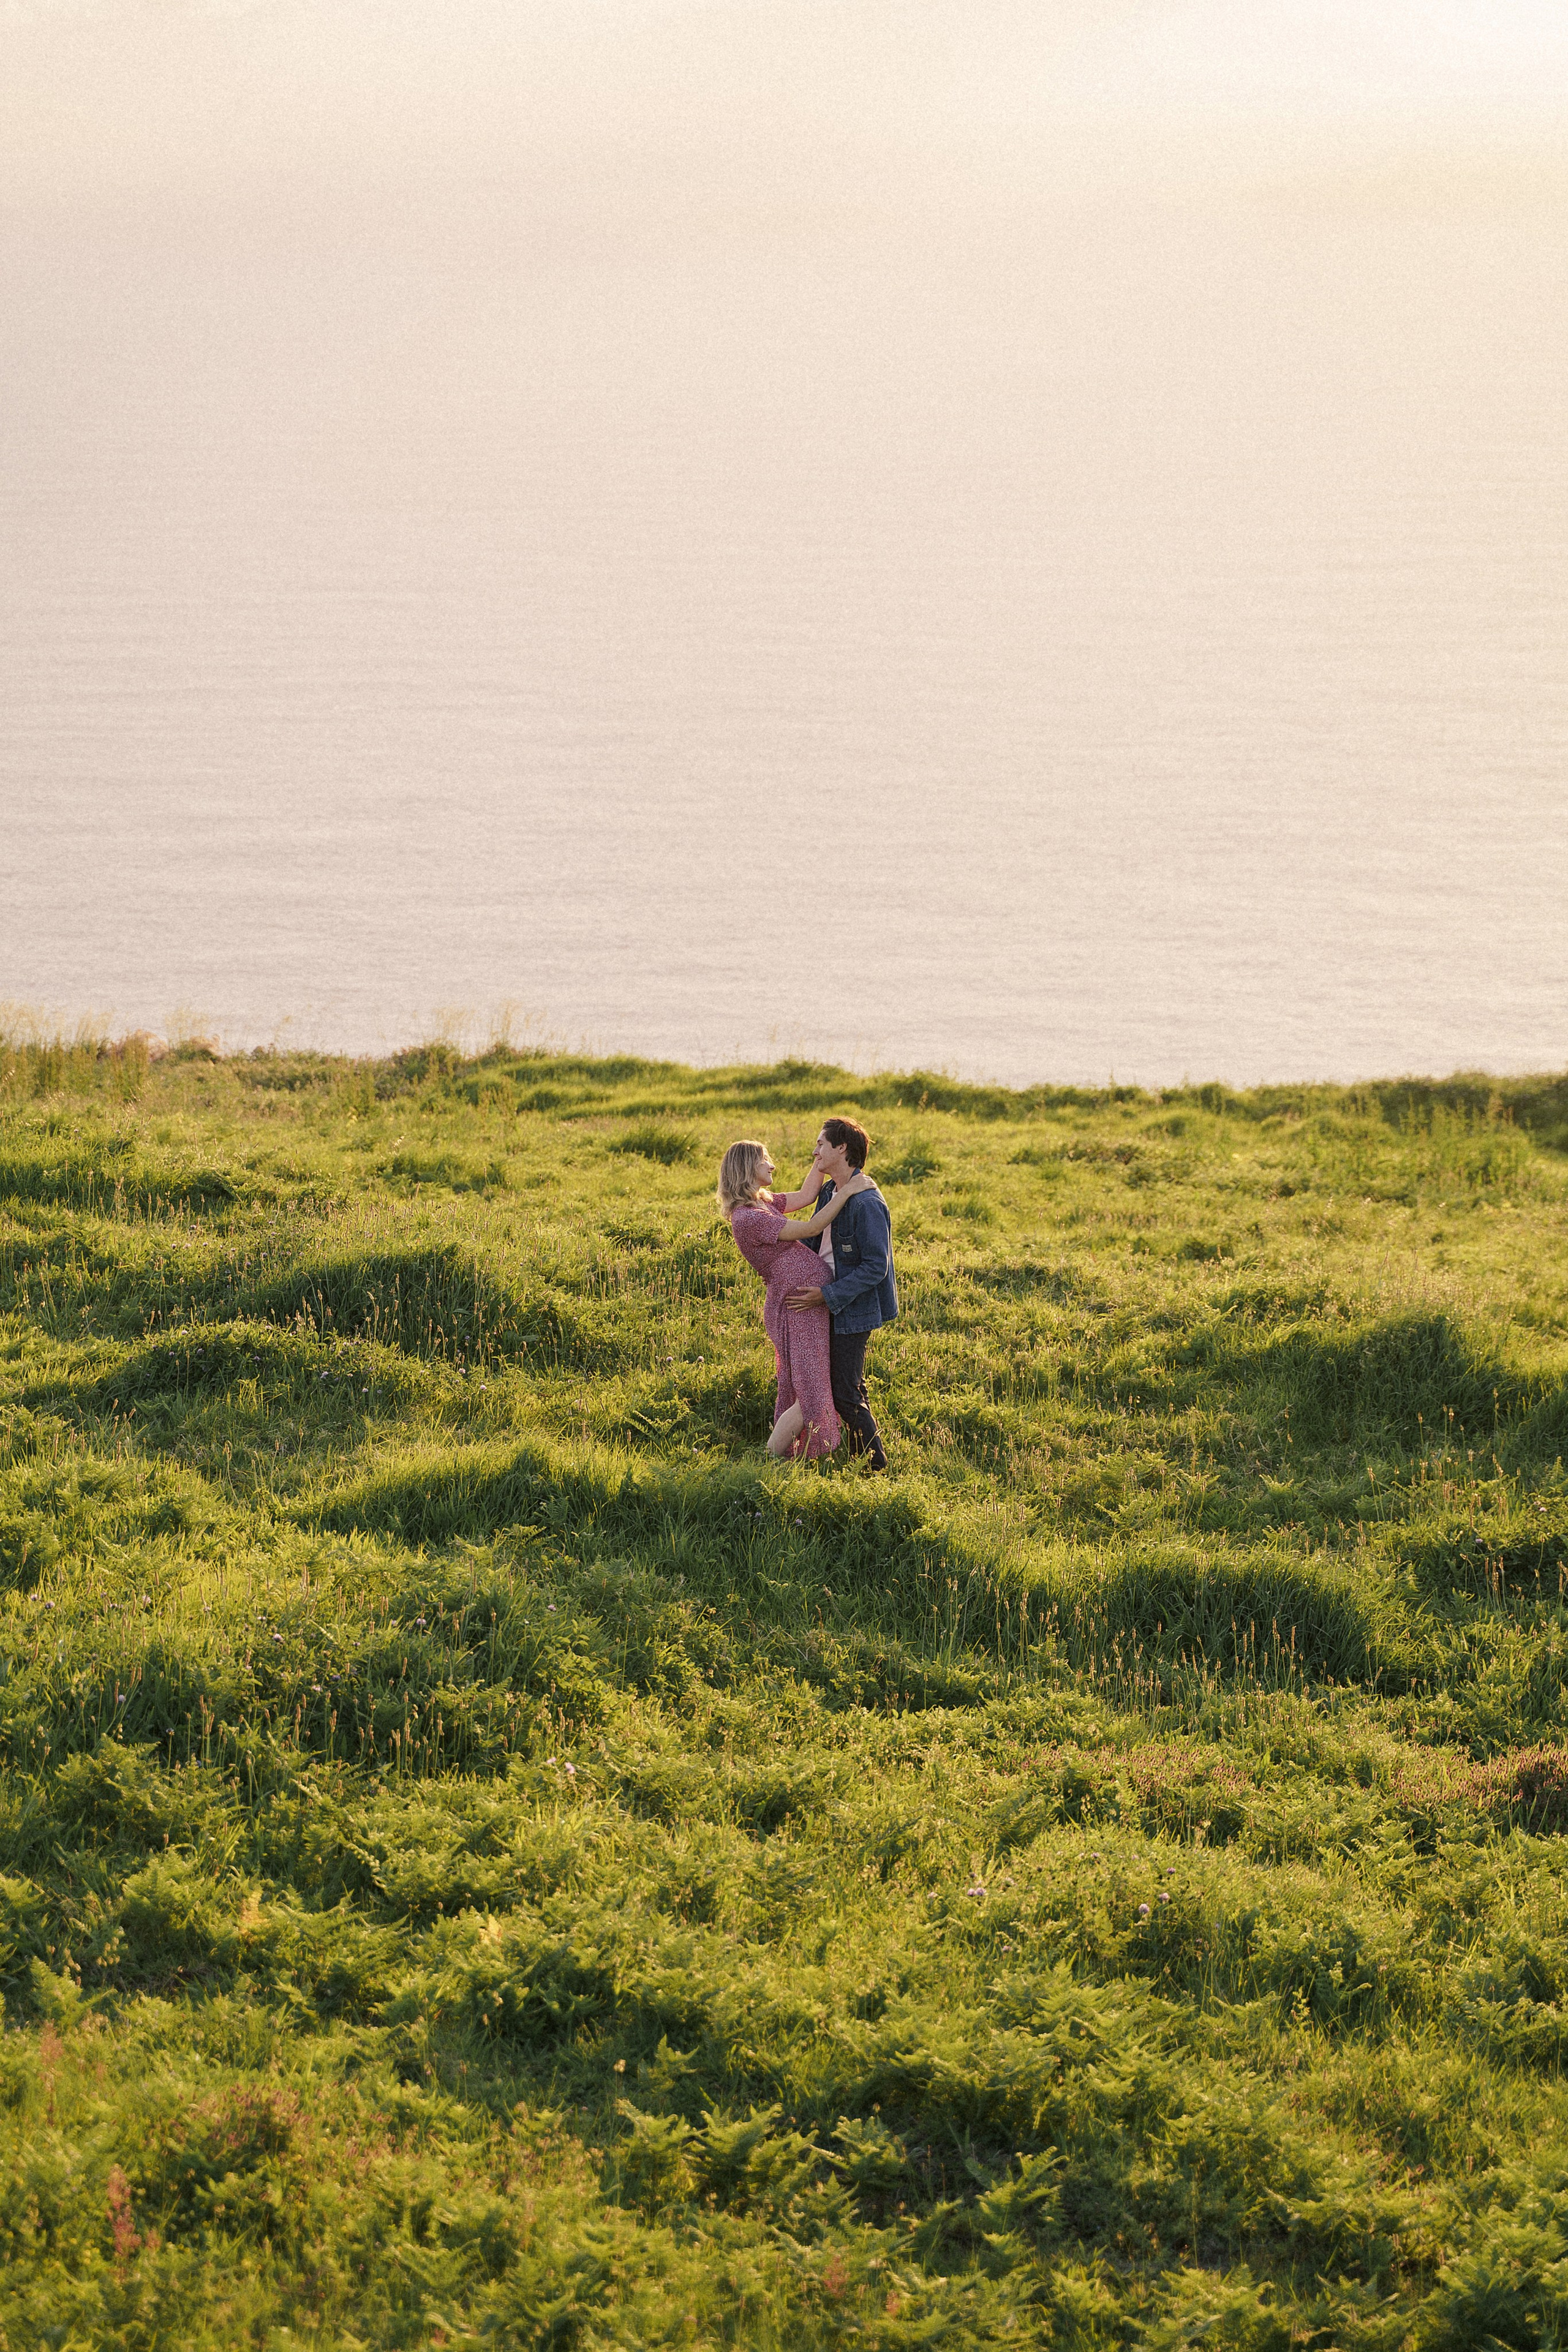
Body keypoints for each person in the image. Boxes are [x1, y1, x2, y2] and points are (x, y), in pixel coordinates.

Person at [717, 1140, 871, 1458]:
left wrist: (824, 1158)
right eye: (765, 1160)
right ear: (748, 1168)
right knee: (810, 1391)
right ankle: (769, 1459)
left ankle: (788, 1458)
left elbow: (805, 1197)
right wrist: (847, 1190)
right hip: (797, 1308)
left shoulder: (762, 1204)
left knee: (810, 1386)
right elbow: (814, 1224)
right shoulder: (750, 1218)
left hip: (805, 1306)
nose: (772, 1166)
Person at [785, 1117, 896, 1471]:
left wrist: (826, 1295)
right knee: (847, 1387)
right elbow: (813, 1237)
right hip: (830, 1302)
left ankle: (876, 1470)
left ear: (841, 1148)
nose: (815, 1151)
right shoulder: (832, 1191)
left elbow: (876, 1266)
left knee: (844, 1393)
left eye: (821, 1144)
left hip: (853, 1307)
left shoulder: (867, 1204)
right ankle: (862, 1463)